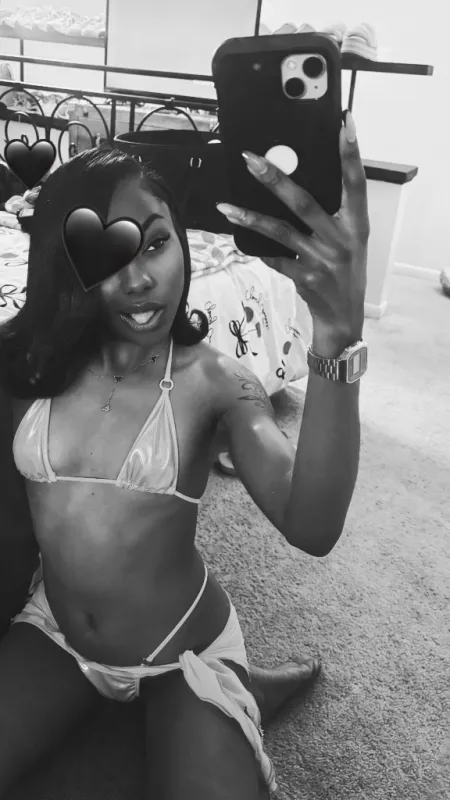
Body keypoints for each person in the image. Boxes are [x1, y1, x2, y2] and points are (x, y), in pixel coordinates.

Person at [0, 109, 369, 799]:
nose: (140, 278)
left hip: (182, 649)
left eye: (156, 242)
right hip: (55, 634)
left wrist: (335, 338)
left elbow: (313, 526)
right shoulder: (27, 365)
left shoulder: (218, 384)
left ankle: (237, 683)